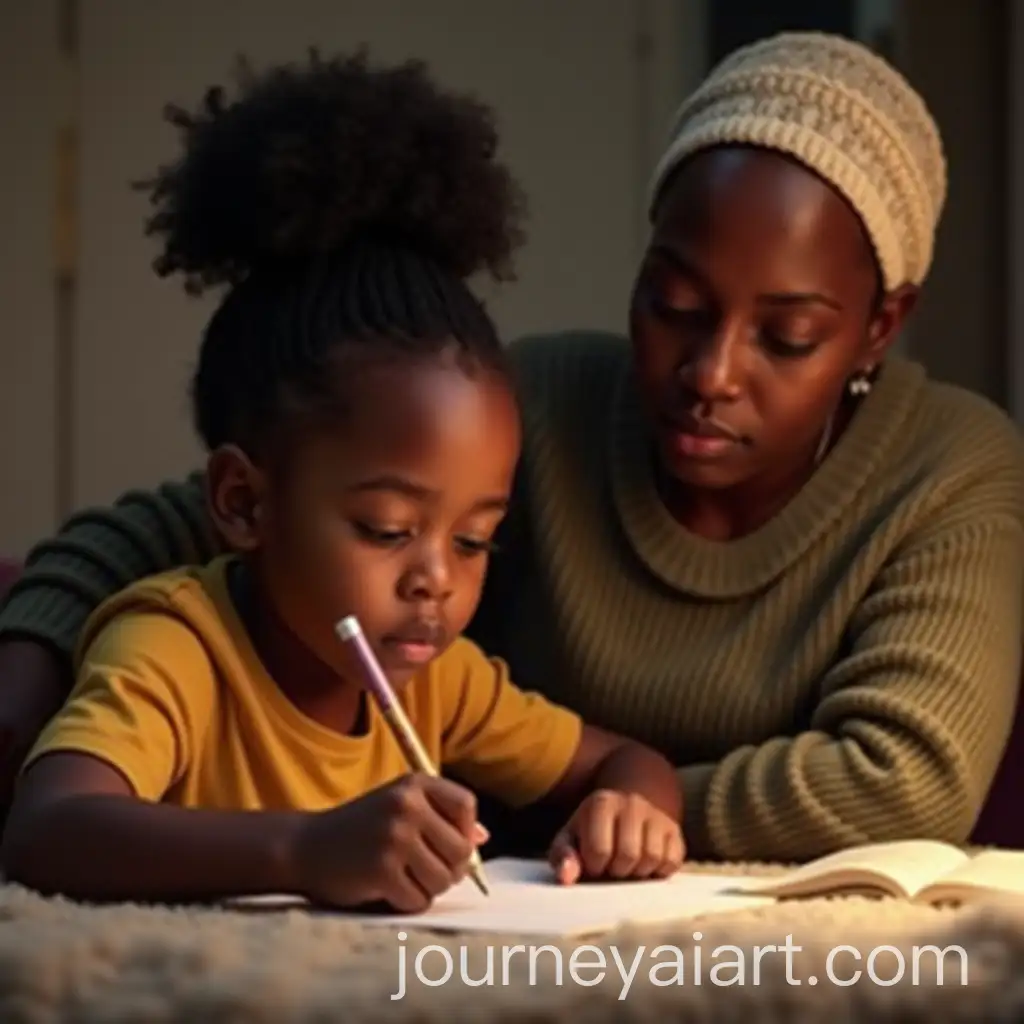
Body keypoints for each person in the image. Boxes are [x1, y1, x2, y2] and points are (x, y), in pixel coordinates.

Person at [1, 31, 1022, 865]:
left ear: (882, 326)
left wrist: (590, 809)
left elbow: (904, 778)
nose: (708, 372)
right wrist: (28, 669)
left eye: (786, 336)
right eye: (672, 304)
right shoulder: (521, 403)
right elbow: (207, 520)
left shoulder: (951, 469)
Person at [0, 50, 685, 908]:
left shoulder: (437, 676)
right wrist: (303, 848)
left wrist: (629, 811)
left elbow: (629, 760)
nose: (436, 575)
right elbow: (47, 830)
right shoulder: (177, 648)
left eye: (474, 540)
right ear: (244, 503)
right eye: (388, 529)